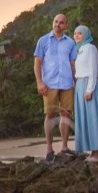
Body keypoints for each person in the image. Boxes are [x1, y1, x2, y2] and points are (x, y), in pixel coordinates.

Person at [33, 13, 77, 161]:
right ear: (53, 22)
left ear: (66, 26)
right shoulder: (43, 41)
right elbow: (38, 63)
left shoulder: (70, 43)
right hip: (49, 83)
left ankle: (64, 147)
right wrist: (39, 82)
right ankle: (49, 149)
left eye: (61, 23)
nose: (58, 25)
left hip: (67, 83)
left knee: (66, 115)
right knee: (50, 115)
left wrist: (76, 81)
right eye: (56, 22)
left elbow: (73, 64)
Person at [72, 25, 98, 160]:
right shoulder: (80, 50)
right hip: (80, 86)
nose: (76, 36)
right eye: (75, 33)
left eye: (80, 33)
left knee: (94, 117)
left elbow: (93, 71)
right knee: (85, 119)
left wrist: (89, 89)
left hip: (90, 86)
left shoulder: (90, 48)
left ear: (85, 35)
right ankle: (93, 151)